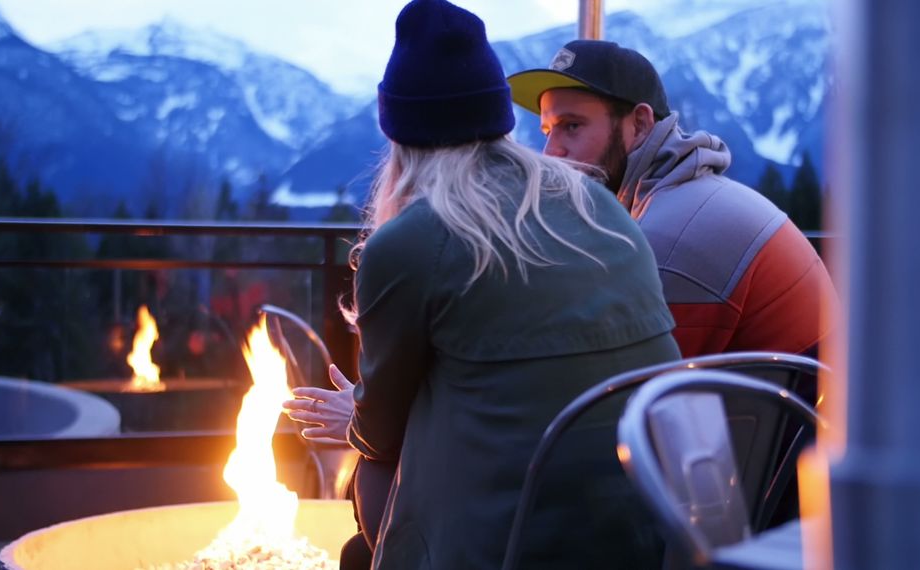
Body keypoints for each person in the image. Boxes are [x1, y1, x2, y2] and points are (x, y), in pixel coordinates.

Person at [285, 1, 680, 568]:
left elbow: (378, 431)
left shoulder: (410, 242)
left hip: (511, 543)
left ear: (399, 133)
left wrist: (359, 410)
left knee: (370, 472)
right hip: (646, 526)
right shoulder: (593, 201)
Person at [507, 40, 838, 359]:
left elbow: (631, 388)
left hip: (799, 414)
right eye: (548, 131)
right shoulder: (678, 200)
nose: (551, 153)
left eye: (572, 126)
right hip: (781, 409)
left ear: (639, 124)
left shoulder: (668, 241)